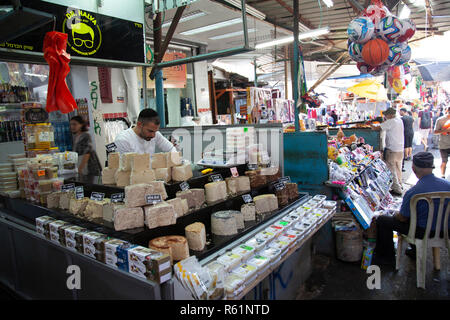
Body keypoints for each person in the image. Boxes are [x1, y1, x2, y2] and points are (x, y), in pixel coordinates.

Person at [374, 152, 450, 265]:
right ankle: (414, 251)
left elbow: (403, 218)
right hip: (446, 231)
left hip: (422, 233)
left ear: (413, 169)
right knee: (416, 218)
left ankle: (387, 258)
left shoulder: (413, 192)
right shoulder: (447, 185)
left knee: (382, 220)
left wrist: (395, 215)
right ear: (432, 167)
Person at [372, 107, 404, 195]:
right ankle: (400, 184)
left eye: (386, 115)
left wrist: (371, 125)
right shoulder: (399, 120)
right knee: (398, 168)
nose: (385, 116)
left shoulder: (391, 121)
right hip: (400, 149)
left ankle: (397, 189)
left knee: (391, 169)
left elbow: (377, 128)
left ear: (390, 115)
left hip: (392, 149)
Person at [70, 116, 102, 181]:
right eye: (71, 124)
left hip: (89, 166)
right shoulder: (76, 137)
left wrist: (80, 168)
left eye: (75, 124)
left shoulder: (85, 136)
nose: (72, 126)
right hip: (82, 165)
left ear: (81, 125)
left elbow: (87, 153)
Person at [433, 106, 450, 179]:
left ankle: (442, 176)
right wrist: (446, 130)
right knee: (444, 161)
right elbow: (435, 132)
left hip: (443, 144)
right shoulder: (440, 120)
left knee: (444, 161)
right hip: (444, 144)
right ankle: (442, 175)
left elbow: (435, 132)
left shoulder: (440, 120)